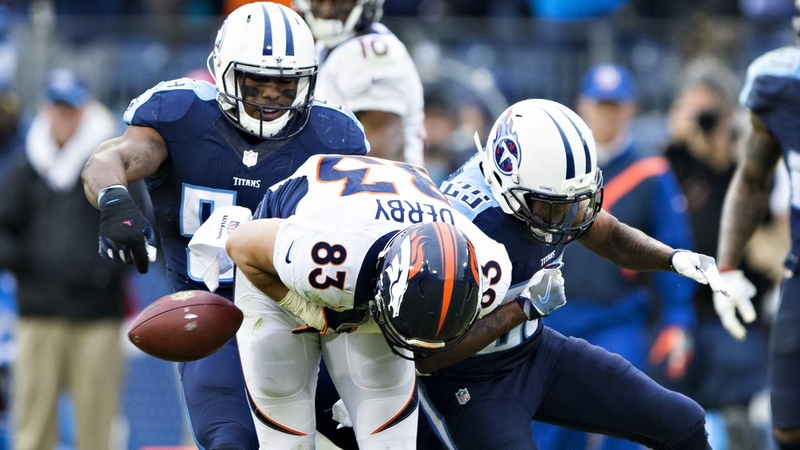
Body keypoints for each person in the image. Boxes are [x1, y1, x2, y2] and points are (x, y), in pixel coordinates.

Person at [80, 3, 369, 449]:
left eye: (286, 84)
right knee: (230, 440)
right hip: (217, 320)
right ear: (223, 72)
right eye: (258, 81)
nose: (272, 96)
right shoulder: (178, 115)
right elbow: (109, 158)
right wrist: (115, 199)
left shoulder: (336, 136)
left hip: (308, 322)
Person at [417, 98, 735, 449]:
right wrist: (521, 309)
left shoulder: (541, 189)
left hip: (534, 350)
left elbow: (608, 234)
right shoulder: (459, 230)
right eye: (553, 208)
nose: (568, 221)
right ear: (505, 183)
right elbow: (428, 354)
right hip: (467, 381)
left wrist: (672, 259)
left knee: (682, 421)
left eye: (576, 203)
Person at [189, 154, 519, 449]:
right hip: (291, 265)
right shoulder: (327, 256)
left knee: (392, 442)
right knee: (287, 437)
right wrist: (311, 312)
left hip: (372, 267)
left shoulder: (490, 269)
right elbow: (241, 245)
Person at [529, 64, 698, 450]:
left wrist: (677, 319)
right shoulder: (552, 168)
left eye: (614, 106)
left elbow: (674, 251)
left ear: (631, 109)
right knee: (549, 429)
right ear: (582, 106)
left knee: (627, 423)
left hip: (617, 318)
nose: (606, 114)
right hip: (555, 315)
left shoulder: (651, 173)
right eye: (599, 105)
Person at [0, 68, 129, 450]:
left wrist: (101, 271)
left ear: (85, 110)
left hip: (97, 315)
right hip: (38, 313)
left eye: (70, 109)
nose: (62, 118)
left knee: (97, 429)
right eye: (56, 108)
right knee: (33, 426)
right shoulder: (28, 166)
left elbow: (134, 228)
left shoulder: (110, 166)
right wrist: (23, 262)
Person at [663, 56, 781, 450]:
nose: (704, 123)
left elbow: (775, 254)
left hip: (733, 312)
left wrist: (726, 156)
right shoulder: (669, 165)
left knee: (735, 374)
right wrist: (677, 141)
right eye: (695, 112)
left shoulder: (748, 171)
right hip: (678, 310)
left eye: (710, 113)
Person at [716, 3, 800, 448]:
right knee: (787, 428)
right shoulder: (780, 84)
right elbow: (751, 179)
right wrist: (726, 266)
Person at [294, 0, 425, 165]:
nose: (327, 11)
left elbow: (382, 155)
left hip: (370, 186)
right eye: (319, 0)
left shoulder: (369, 51)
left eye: (336, 2)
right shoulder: (324, 48)